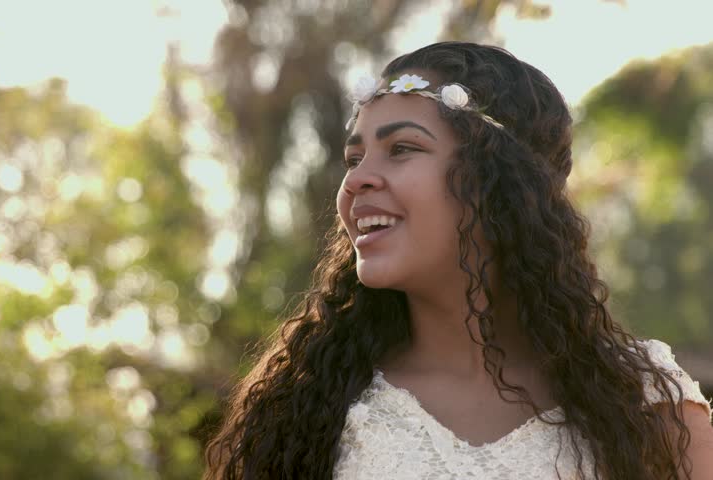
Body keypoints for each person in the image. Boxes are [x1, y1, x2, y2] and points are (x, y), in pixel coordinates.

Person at [203, 42, 713, 479]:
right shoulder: (300, 407)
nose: (356, 181)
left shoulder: (646, 405)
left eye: (401, 148)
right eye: (354, 159)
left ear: (502, 184)